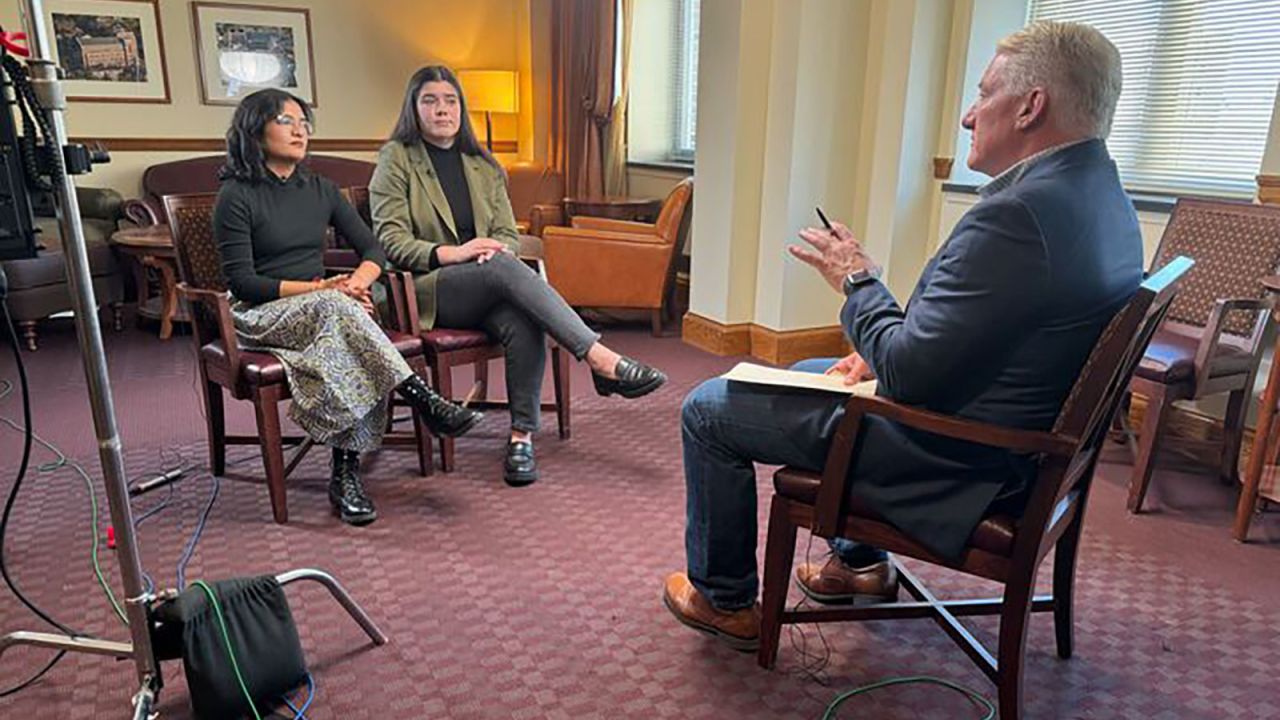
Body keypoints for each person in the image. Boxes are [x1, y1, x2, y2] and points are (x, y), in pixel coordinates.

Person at [662, 21, 1144, 651]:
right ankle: (859, 566)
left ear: (1032, 107)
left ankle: (724, 600)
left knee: (707, 409)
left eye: (983, 94)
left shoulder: (1018, 214)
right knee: (815, 369)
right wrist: (879, 345)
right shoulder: (1103, 196)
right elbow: (988, 332)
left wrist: (859, 281)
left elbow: (912, 375)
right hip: (1011, 440)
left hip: (950, 455)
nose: (969, 116)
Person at [370, 65, 666, 488]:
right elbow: (391, 241)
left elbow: (508, 232)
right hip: (430, 287)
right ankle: (599, 358)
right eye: (430, 101)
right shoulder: (396, 158)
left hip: (489, 282)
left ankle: (520, 437)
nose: (442, 110)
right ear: (413, 108)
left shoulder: (483, 164)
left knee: (522, 315)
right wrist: (457, 253)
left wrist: (496, 249)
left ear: (462, 108)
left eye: (450, 101)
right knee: (506, 268)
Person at [213, 88, 483, 527]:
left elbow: (374, 247)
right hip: (260, 313)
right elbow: (243, 282)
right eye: (286, 121)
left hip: (328, 310)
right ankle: (420, 397)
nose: (300, 130)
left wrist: (356, 283)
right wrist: (322, 288)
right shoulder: (235, 195)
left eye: (304, 122)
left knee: (342, 334)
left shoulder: (321, 190)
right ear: (255, 129)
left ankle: (346, 473)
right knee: (340, 312)